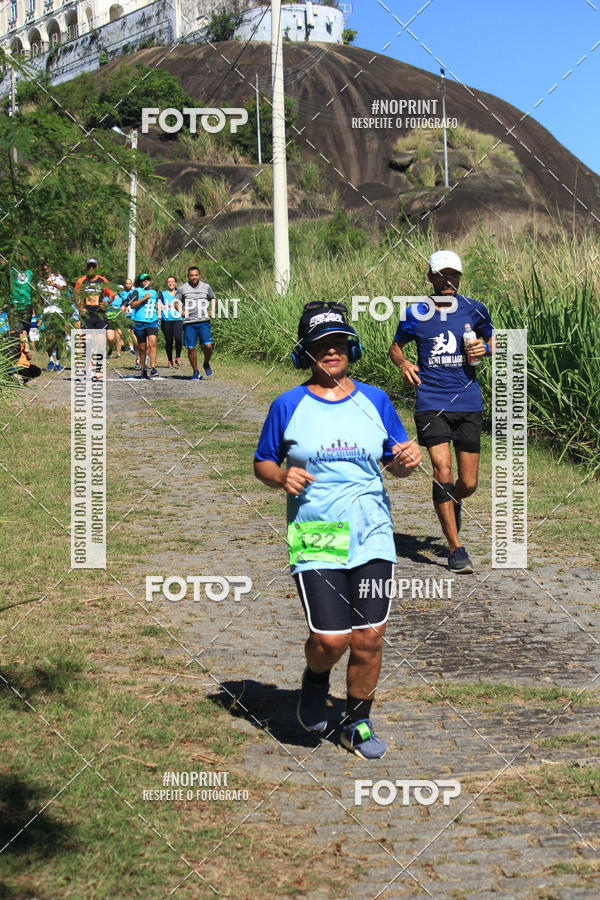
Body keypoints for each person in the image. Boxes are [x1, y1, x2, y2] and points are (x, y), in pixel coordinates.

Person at [254, 301, 421, 760]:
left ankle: (357, 724)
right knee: (331, 640)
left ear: (351, 347)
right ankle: (315, 680)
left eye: (338, 343)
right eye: (320, 345)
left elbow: (394, 458)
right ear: (306, 352)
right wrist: (279, 476)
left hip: (372, 531)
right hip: (317, 531)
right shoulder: (288, 404)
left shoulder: (375, 400)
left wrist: (405, 461)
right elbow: (263, 461)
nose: (331, 352)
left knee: (368, 638)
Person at [389, 250, 495, 574]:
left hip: (468, 402)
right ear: (431, 278)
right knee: (442, 470)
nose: (449, 281)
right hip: (431, 401)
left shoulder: (475, 309)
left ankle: (451, 501)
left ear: (460, 278)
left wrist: (485, 348)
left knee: (470, 482)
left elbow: (494, 341)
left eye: (454, 275)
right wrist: (405, 363)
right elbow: (395, 347)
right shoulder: (415, 313)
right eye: (442, 275)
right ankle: (455, 548)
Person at [175, 266, 215, 380]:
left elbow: (213, 298)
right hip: (189, 323)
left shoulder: (206, 286)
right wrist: (181, 312)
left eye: (196, 275)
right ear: (188, 276)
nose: (194, 277)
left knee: (208, 346)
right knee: (191, 348)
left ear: (199, 275)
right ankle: (195, 371)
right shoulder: (183, 288)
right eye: (191, 275)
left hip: (203, 321)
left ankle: (206, 363)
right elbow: (175, 302)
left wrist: (212, 309)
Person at [37, 261, 68, 372]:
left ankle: (58, 362)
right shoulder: (40, 283)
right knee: (49, 338)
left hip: (58, 311)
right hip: (47, 311)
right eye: (43, 270)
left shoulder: (58, 277)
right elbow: (40, 300)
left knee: (59, 338)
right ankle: (51, 360)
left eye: (46, 269)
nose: (45, 271)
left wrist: (54, 285)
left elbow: (65, 290)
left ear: (49, 268)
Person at [129, 273, 160, 379]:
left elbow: (154, 303)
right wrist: (143, 299)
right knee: (142, 348)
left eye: (148, 279)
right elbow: (132, 305)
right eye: (144, 280)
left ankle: (154, 368)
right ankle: (143, 369)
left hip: (152, 320)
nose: (146, 281)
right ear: (140, 281)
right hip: (139, 321)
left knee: (153, 343)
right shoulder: (137, 291)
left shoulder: (154, 292)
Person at [159, 275, 183, 368]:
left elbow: (185, 303)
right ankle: (170, 360)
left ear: (175, 283)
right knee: (169, 341)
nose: (171, 283)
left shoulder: (180, 294)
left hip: (178, 319)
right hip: (167, 320)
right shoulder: (163, 294)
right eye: (169, 282)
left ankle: (178, 357)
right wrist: (161, 307)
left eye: (172, 281)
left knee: (178, 339)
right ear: (166, 283)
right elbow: (158, 305)